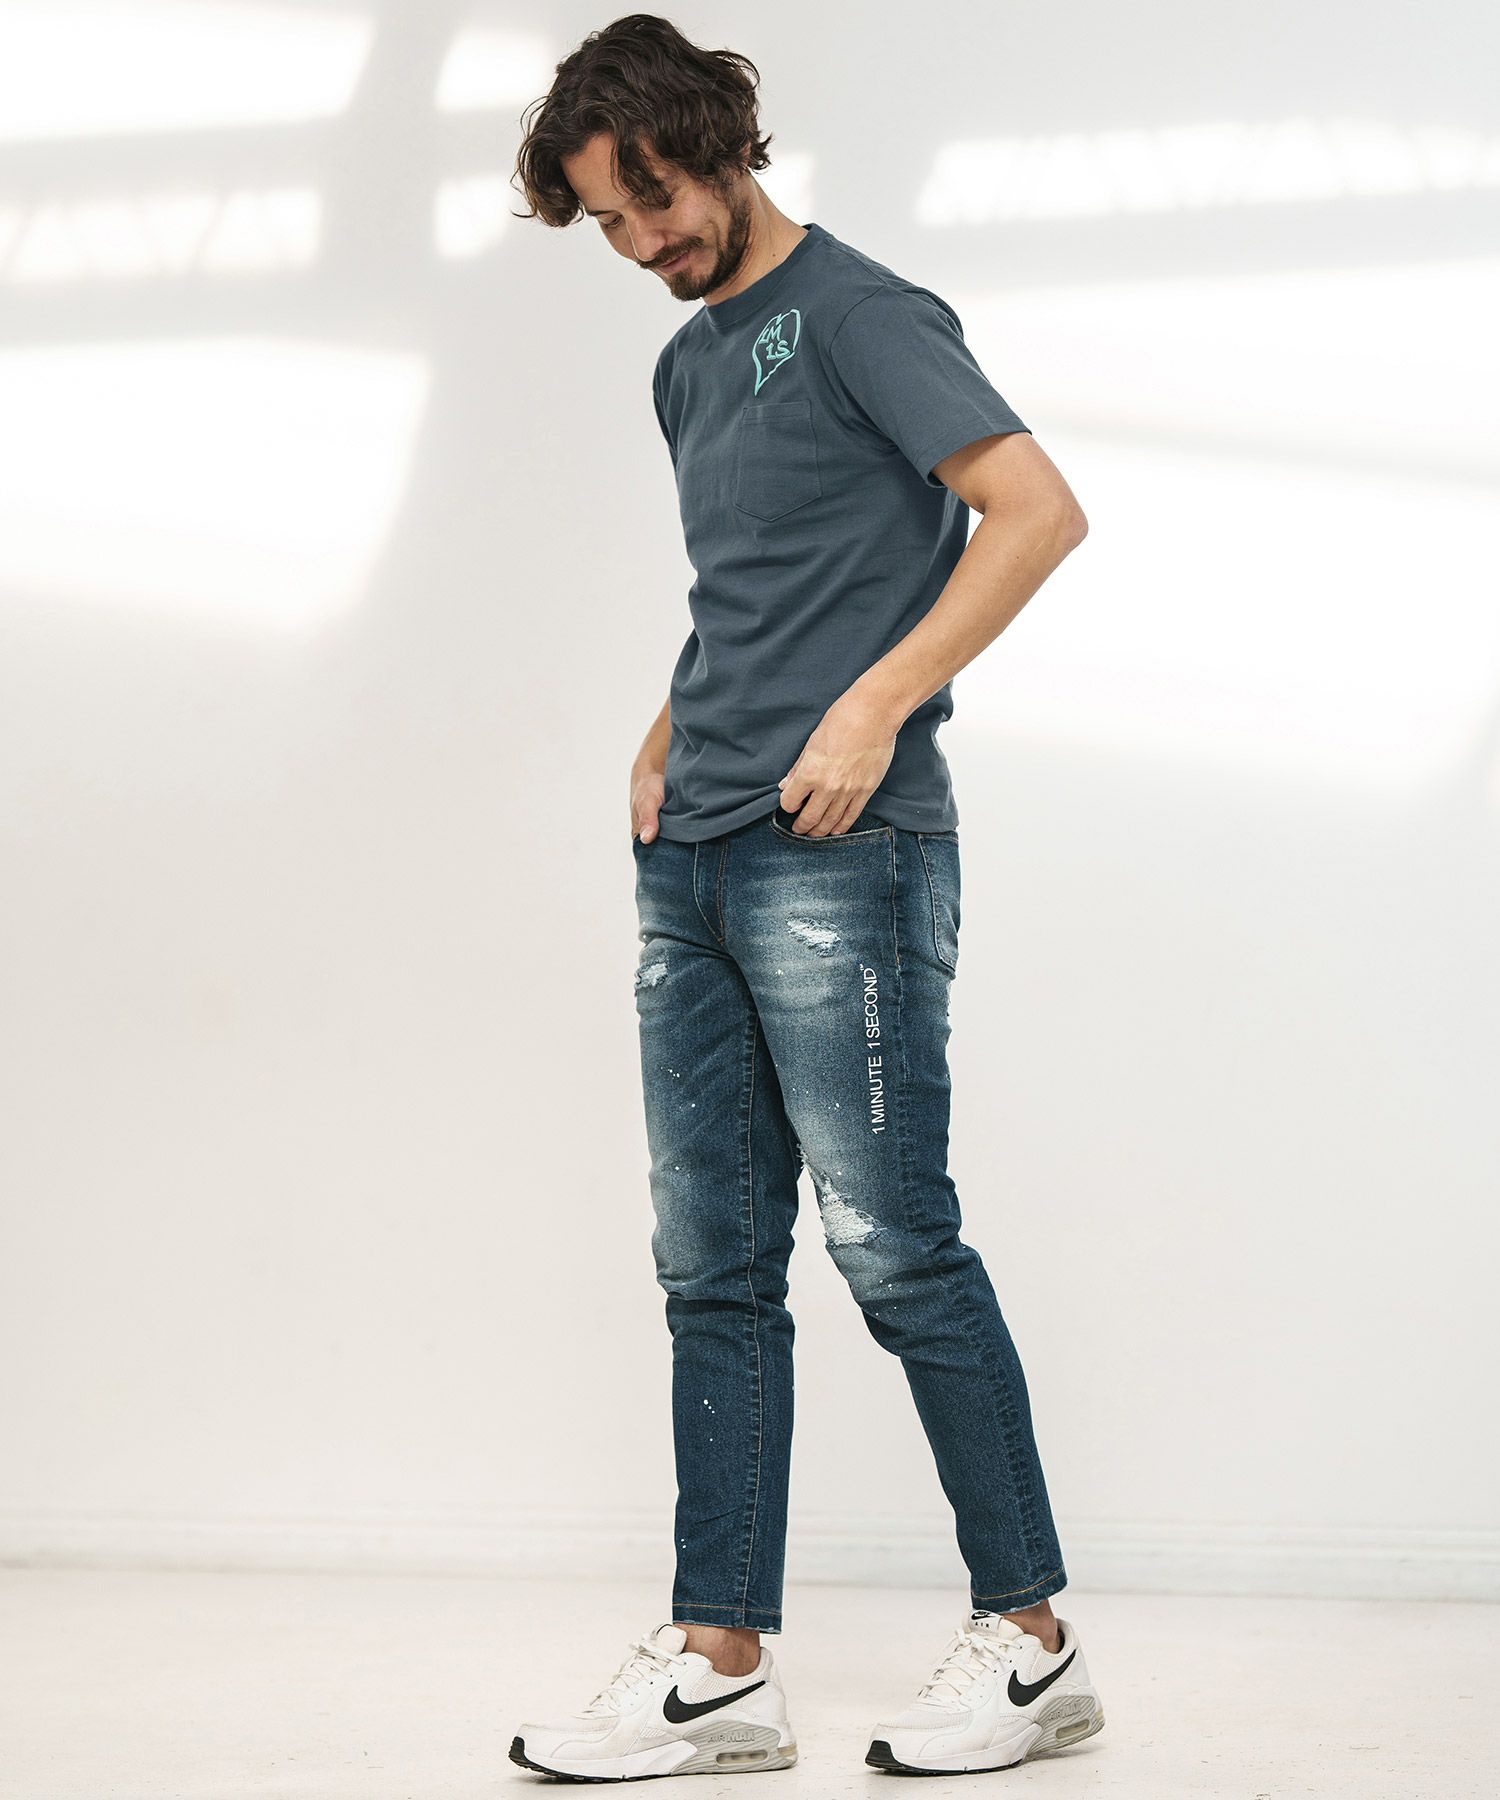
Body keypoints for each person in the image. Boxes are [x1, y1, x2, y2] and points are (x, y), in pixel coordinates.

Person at [508, 12, 1103, 1780]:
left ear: (717, 144)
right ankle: (720, 1665)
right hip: (692, 856)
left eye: (654, 198)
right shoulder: (690, 364)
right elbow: (755, 582)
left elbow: (1034, 511)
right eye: (609, 221)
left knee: (894, 1245)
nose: (642, 241)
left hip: (847, 851)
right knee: (711, 1268)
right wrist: (667, 725)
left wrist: (875, 705)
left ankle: (1033, 1643)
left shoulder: (861, 314)